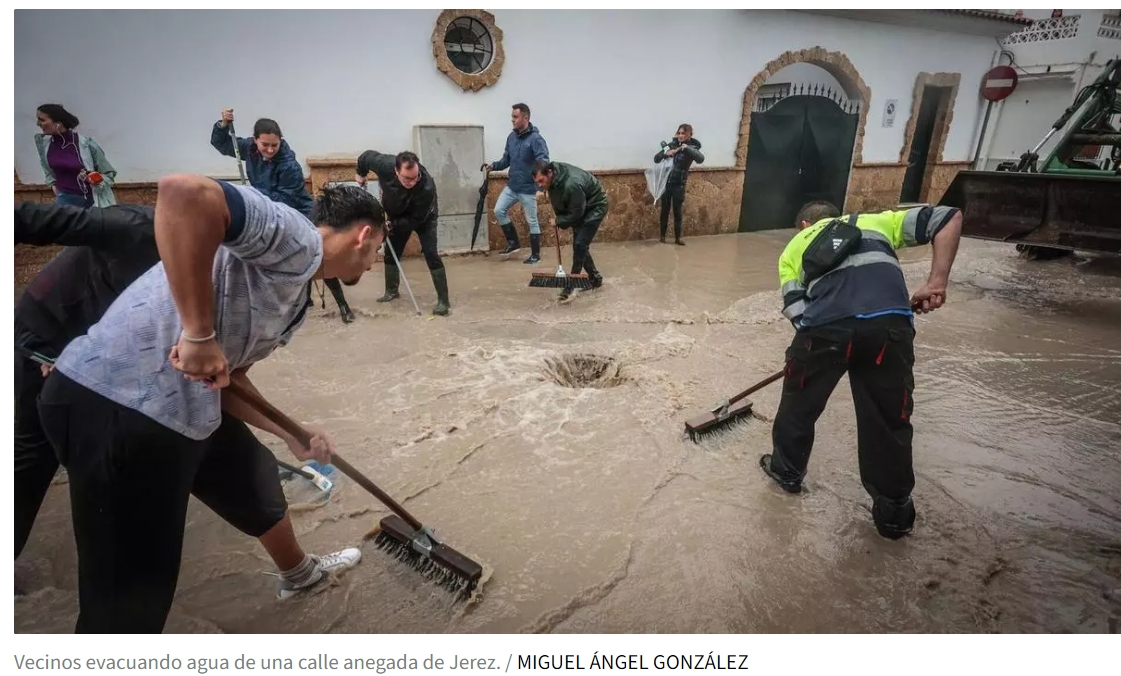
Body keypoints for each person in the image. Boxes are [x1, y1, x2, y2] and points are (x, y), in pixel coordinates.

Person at [35, 178, 386, 632]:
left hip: (187, 405)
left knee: (255, 482)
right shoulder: (296, 238)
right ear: (363, 236)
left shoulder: (297, 296)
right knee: (131, 596)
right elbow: (184, 194)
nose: (375, 263)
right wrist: (198, 333)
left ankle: (299, 575)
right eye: (378, 249)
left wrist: (292, 434)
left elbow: (230, 376)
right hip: (117, 404)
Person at [760, 200, 963, 540]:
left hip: (825, 329)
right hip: (889, 328)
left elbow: (796, 309)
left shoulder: (795, 246)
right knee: (887, 422)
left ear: (805, 224)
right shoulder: (877, 221)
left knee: (799, 406)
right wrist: (936, 282)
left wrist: (811, 353)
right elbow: (948, 216)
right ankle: (894, 515)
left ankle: (786, 474)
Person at [210, 108, 355, 323]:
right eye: (265, 145)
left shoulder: (289, 165)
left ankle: (344, 307)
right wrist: (223, 125)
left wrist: (251, 197)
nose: (269, 149)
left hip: (300, 213)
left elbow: (284, 198)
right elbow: (222, 145)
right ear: (255, 141)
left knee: (316, 260)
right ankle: (301, 303)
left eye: (274, 145)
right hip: (271, 211)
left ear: (281, 141)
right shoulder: (248, 149)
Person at [354, 150, 450, 316]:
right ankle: (391, 291)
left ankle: (443, 301)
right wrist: (360, 174)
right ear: (396, 171)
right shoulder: (384, 165)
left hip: (424, 217)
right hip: (397, 212)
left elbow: (415, 220)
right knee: (391, 253)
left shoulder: (426, 187)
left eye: (415, 177)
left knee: (431, 253)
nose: (412, 182)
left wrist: (391, 225)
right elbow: (365, 157)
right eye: (407, 178)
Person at [531, 160, 609, 302]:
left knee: (579, 244)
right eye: (537, 182)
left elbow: (577, 213)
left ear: (549, 173)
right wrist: (545, 191)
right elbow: (562, 197)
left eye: (541, 181)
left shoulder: (571, 184)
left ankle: (571, 285)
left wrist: (559, 221)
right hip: (579, 205)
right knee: (581, 245)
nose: (540, 185)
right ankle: (595, 279)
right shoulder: (553, 176)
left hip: (595, 206)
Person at [482, 103, 550, 263]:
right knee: (499, 210)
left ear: (525, 118)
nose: (512, 120)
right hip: (512, 186)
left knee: (531, 220)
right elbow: (506, 159)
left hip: (528, 188)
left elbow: (544, 162)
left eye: (515, 117)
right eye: (512, 116)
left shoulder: (536, 139)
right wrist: (493, 166)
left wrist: (540, 186)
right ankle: (513, 243)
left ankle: (535, 255)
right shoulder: (511, 137)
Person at [34, 104, 117, 209]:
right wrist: (53, 185)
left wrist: (97, 179)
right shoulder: (44, 145)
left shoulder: (86, 144)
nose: (38, 124)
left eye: (41, 120)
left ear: (58, 123)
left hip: (93, 202)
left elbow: (108, 173)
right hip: (65, 202)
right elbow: (47, 168)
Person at [653, 123, 704, 245]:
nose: (680, 135)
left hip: (679, 184)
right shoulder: (671, 145)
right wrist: (666, 153)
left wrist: (687, 148)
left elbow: (700, 159)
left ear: (689, 135)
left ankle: (677, 239)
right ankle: (662, 237)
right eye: (679, 133)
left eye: (683, 133)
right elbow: (656, 158)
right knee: (664, 210)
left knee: (678, 212)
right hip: (667, 183)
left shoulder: (692, 148)